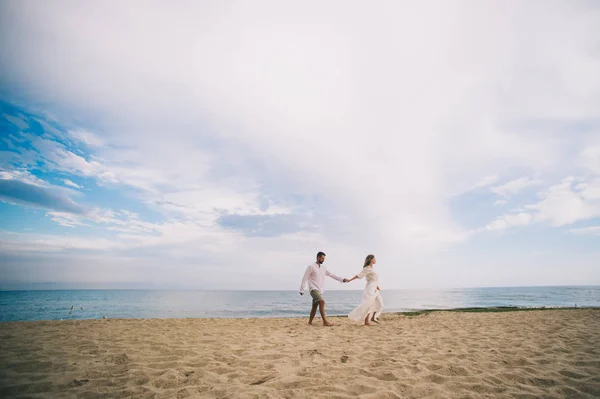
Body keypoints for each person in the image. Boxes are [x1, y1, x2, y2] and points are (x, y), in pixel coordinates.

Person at [299, 251, 346, 326]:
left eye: (324, 258)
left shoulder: (323, 268)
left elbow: (331, 275)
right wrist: (302, 289)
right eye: (322, 258)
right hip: (313, 289)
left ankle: (310, 322)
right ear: (318, 257)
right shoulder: (311, 266)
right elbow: (305, 277)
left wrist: (342, 279)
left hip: (320, 290)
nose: (323, 260)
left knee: (314, 307)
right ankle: (325, 321)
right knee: (322, 302)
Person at [345, 254, 384, 325]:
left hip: (374, 287)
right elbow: (359, 275)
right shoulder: (367, 268)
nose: (375, 260)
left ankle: (373, 317)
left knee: (379, 302)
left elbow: (374, 279)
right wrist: (350, 280)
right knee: (369, 304)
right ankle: (366, 320)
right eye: (374, 258)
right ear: (370, 260)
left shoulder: (372, 269)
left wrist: (377, 286)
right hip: (370, 288)